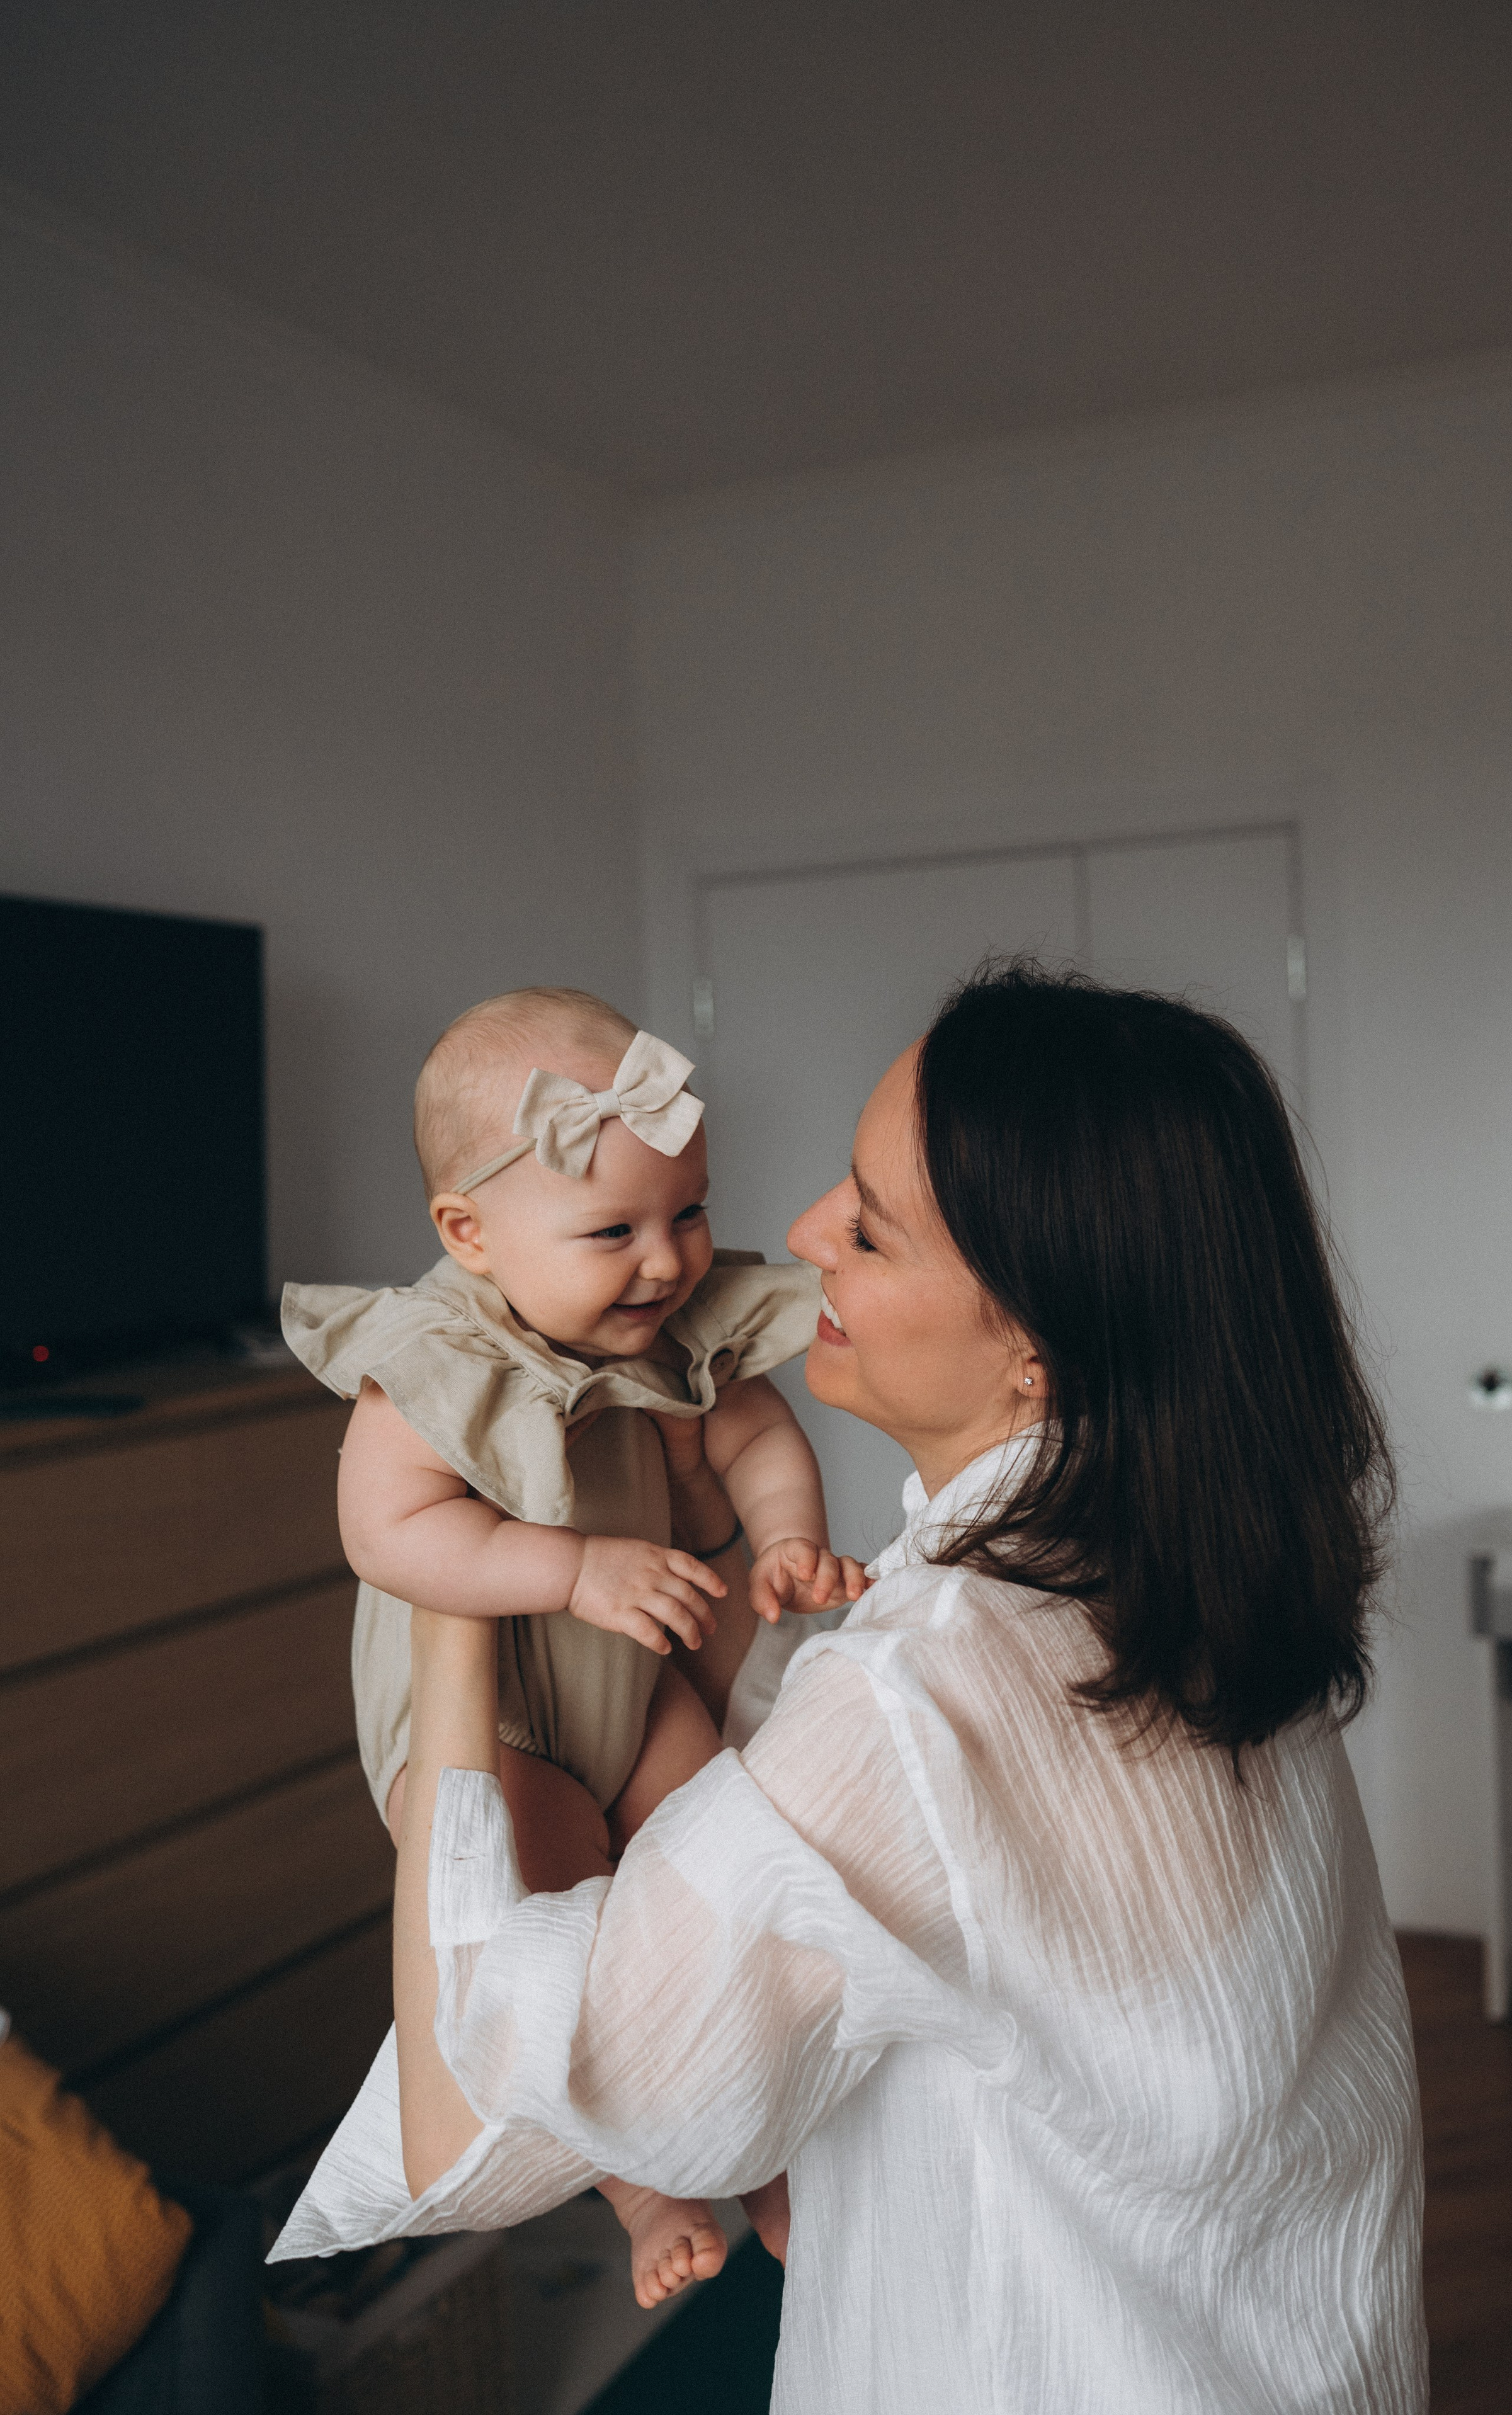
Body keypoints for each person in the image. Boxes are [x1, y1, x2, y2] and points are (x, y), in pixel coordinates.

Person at [273, 963, 1428, 2414]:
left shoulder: (919, 1694)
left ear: (1033, 1344)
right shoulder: (1191, 1586)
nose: (800, 1230)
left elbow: (487, 2096)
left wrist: (457, 1611)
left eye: (870, 1226)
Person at [280, 985, 863, 2305]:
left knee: (723, 1864)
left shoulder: (670, 1320)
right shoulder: (429, 1357)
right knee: (555, 1935)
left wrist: (781, 1538)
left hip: (631, 1685)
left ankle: (764, 2143)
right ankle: (638, 2182)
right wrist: (570, 1566)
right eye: (613, 1230)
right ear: (468, 1233)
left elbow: (756, 1437)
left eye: (689, 1211)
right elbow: (388, 1533)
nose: (665, 1261)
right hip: (492, 1728)